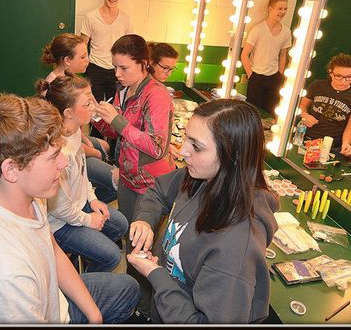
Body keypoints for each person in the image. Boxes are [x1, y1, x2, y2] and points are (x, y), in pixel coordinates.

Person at [0, 93, 139, 324]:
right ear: (11, 169)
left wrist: (94, 315)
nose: (63, 163)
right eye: (54, 157)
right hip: (32, 303)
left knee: (128, 289)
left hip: (48, 296)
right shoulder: (3, 278)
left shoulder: (20, 193)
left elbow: (50, 249)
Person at [127, 98, 279, 323]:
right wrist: (145, 220)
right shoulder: (199, 176)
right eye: (187, 138)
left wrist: (155, 274)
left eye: (196, 146)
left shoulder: (235, 249)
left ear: (231, 155)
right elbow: (159, 191)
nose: (182, 151)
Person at [92, 34, 175, 320]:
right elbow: (116, 135)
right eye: (115, 67)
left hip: (151, 185)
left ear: (144, 64)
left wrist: (117, 119)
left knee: (145, 251)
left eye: (124, 68)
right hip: (128, 180)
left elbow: (156, 146)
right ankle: (132, 301)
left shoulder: (157, 95)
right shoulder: (125, 90)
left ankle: (147, 311)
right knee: (132, 244)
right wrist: (99, 118)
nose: (117, 74)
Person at [42, 74, 128, 273]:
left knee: (120, 225)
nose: (94, 107)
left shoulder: (74, 131)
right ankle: (83, 287)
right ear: (68, 113)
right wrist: (88, 220)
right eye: (88, 104)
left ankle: (88, 256)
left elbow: (82, 174)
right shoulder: (58, 151)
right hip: (61, 223)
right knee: (111, 256)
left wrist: (93, 199)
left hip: (79, 205)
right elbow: (58, 208)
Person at [36, 33, 118, 203]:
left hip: (74, 138)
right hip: (64, 146)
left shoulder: (70, 79)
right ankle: (83, 204)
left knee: (103, 146)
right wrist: (88, 150)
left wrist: (85, 141)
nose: (87, 60)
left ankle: (88, 198)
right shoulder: (55, 89)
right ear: (67, 60)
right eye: (83, 56)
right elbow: (62, 139)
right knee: (102, 155)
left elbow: (75, 130)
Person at [299, 53, 351, 156]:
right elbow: (302, 105)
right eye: (338, 76)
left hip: (333, 146)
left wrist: (346, 143)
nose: (343, 81)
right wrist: (304, 115)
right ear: (331, 72)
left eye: (349, 77)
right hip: (305, 138)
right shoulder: (317, 86)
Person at [81, 0, 134, 105]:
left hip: (118, 70)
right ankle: (95, 126)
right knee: (94, 109)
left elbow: (130, 47)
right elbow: (83, 45)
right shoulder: (90, 17)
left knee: (115, 109)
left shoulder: (126, 19)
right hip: (95, 68)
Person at [240, 0, 292, 116]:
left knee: (271, 112)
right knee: (252, 112)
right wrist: (251, 75)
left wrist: (280, 74)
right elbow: (244, 54)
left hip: (274, 77)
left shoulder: (286, 32)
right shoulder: (257, 29)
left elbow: (283, 55)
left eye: (285, 9)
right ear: (270, 9)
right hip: (256, 75)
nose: (283, 12)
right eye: (280, 8)